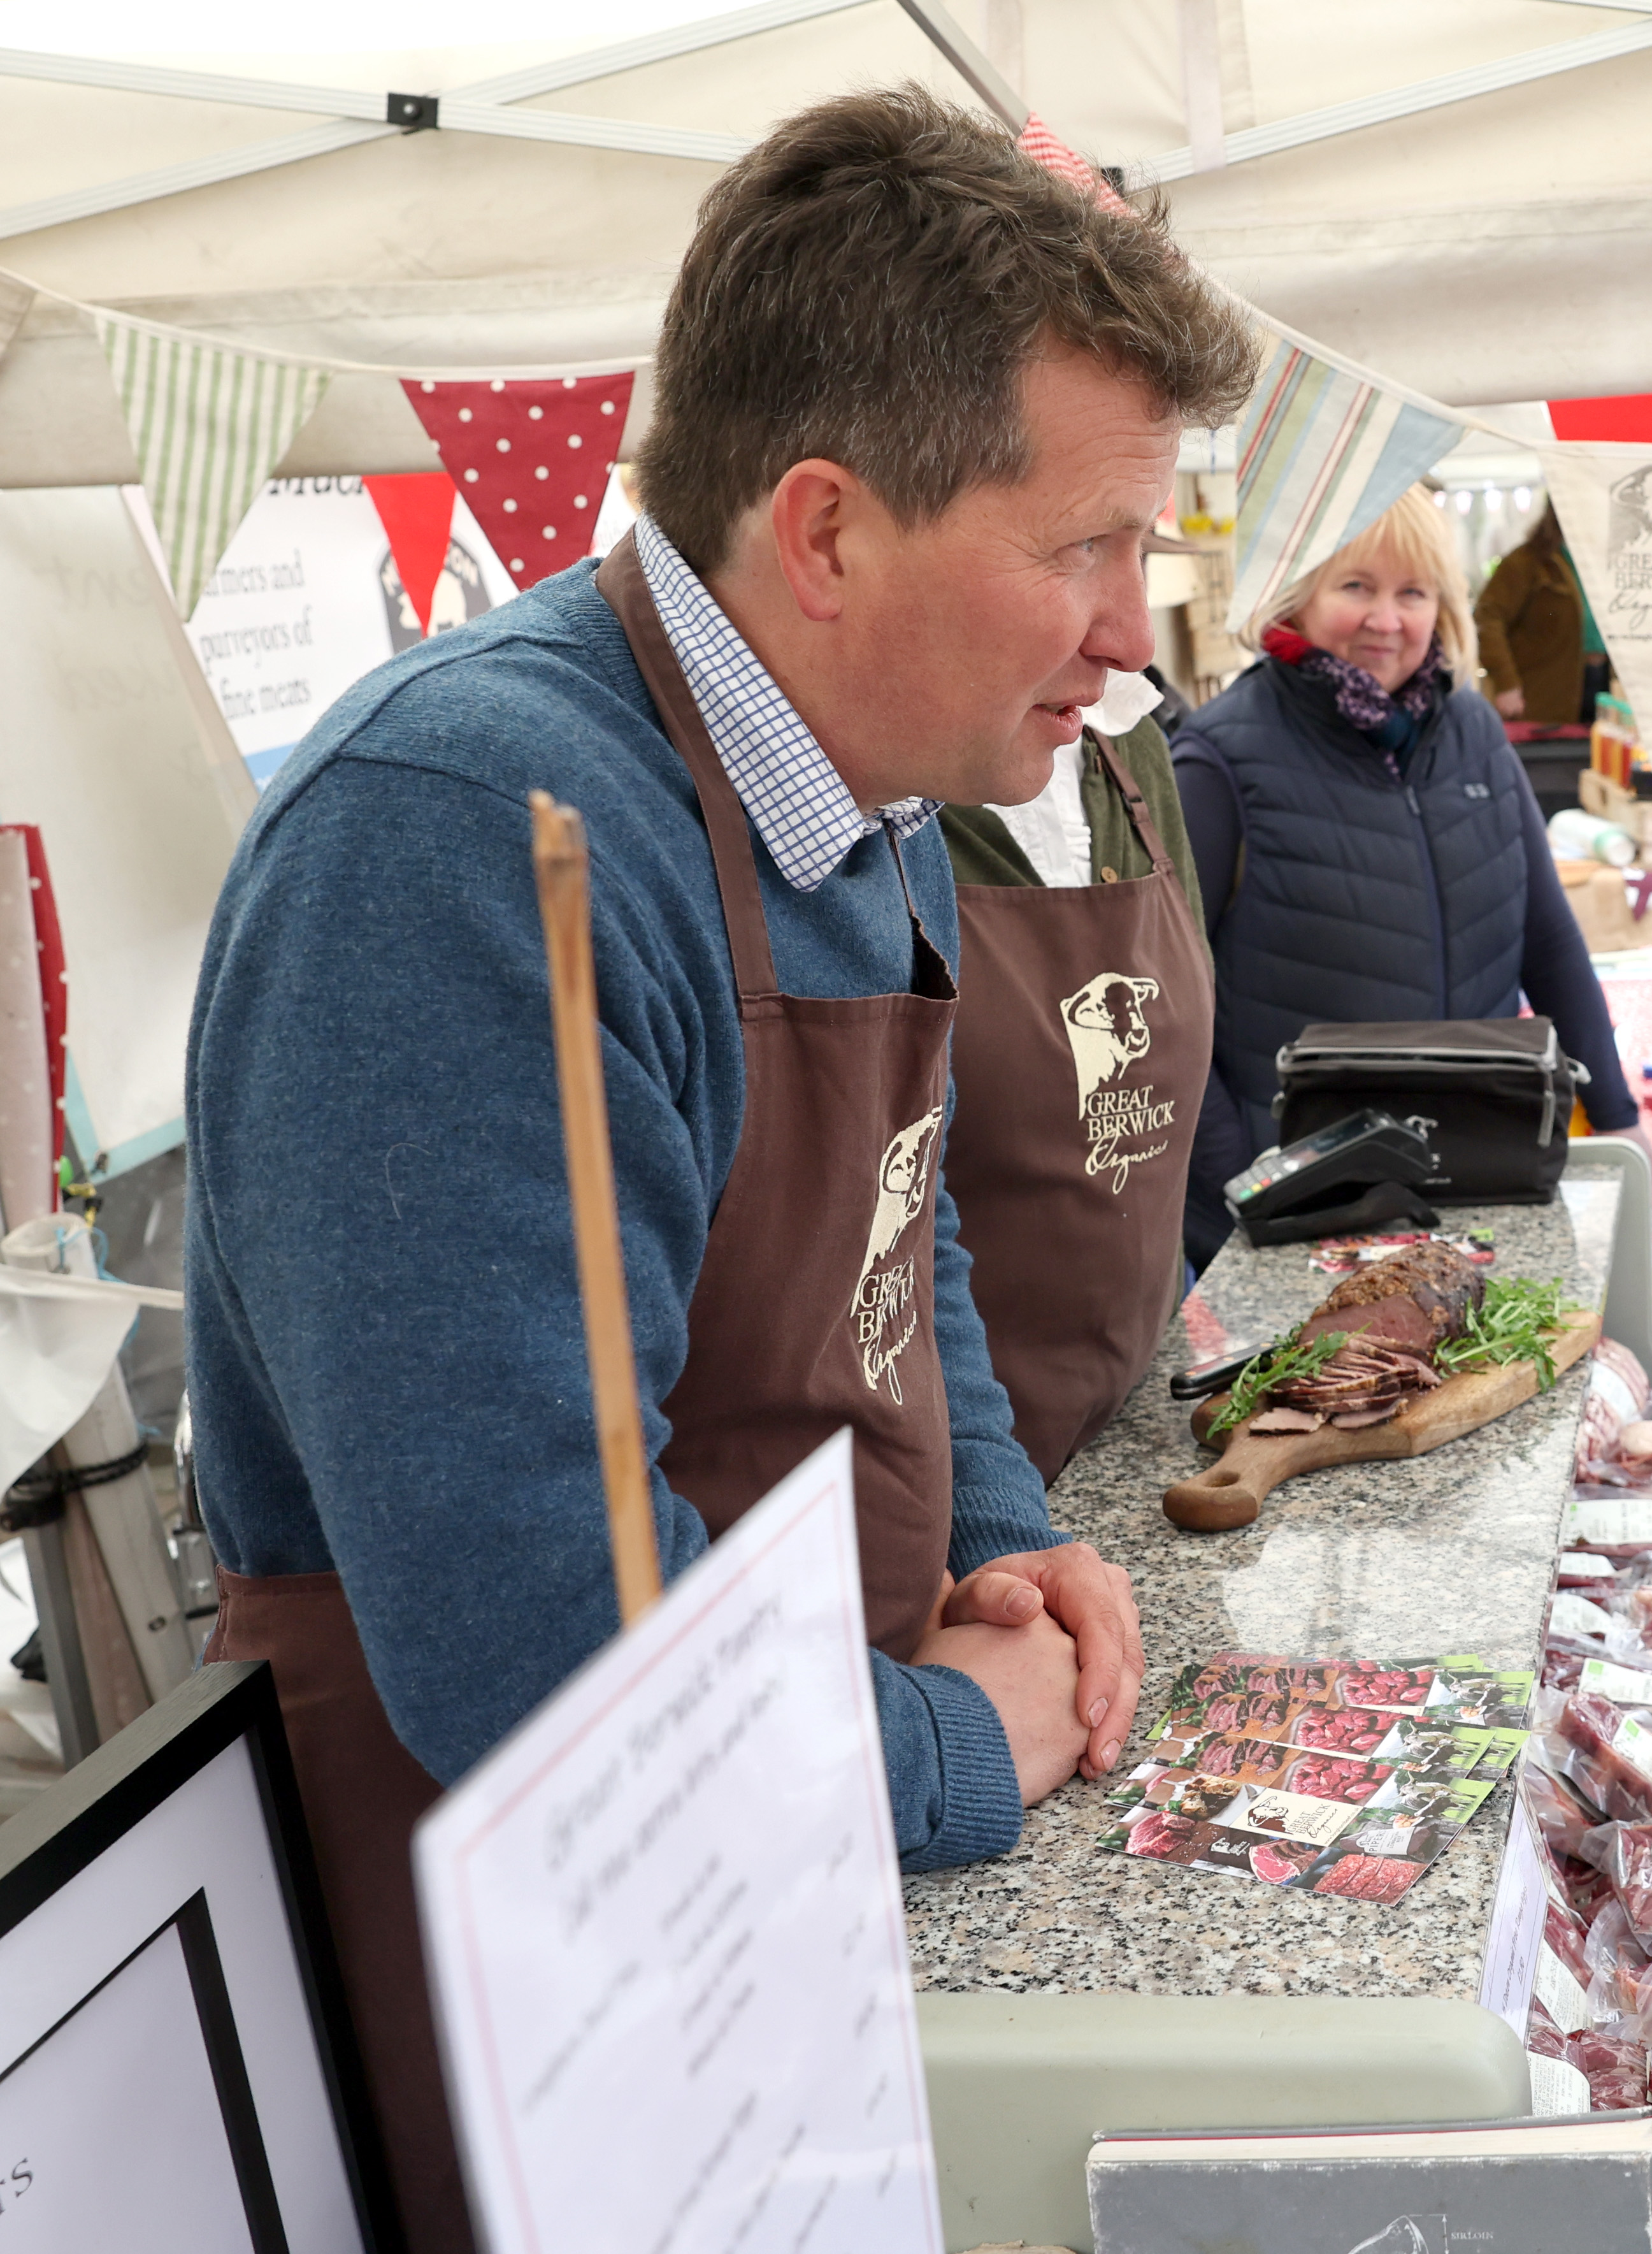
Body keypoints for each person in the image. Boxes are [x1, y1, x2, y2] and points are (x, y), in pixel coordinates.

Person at [181, 93, 1256, 2244]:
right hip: (538, 1959)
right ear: (830, 529)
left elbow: (903, 1227)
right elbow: (544, 1673)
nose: (1136, 632)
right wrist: (970, 1738)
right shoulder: (468, 840)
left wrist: (1014, 1542)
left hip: (804, 1828)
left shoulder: (848, 792)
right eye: (1083, 546)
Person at [1172, 487, 1640, 1265]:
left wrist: (1617, 1116)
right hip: (1301, 1198)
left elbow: (1546, 936)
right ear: (1301, 593)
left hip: (1483, 1167)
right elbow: (1172, 1012)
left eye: (1411, 593)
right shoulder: (1220, 757)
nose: (1385, 620)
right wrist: (1244, 1189)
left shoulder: (1473, 729)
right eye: (1356, 587)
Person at [936, 653, 1208, 1483]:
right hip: (963, 1458)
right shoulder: (890, 785)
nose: (1132, 637)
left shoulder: (1134, 747)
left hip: (1152, 1398)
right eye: (1077, 548)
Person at [1472, 505, 1604, 725]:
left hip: (1605, 690)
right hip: (1546, 697)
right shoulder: (1526, 562)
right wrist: (1506, 683)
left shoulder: (1608, 561)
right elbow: (1488, 618)